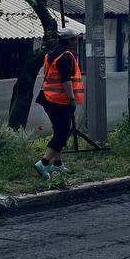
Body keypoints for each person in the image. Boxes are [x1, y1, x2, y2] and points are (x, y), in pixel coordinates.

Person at [33, 30, 84, 178]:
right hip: (59, 100)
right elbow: (66, 80)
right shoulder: (66, 56)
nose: (76, 41)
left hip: (47, 97)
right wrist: (72, 98)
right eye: (74, 39)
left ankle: (57, 164)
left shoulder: (52, 53)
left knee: (60, 129)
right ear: (68, 40)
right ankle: (43, 162)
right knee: (63, 132)